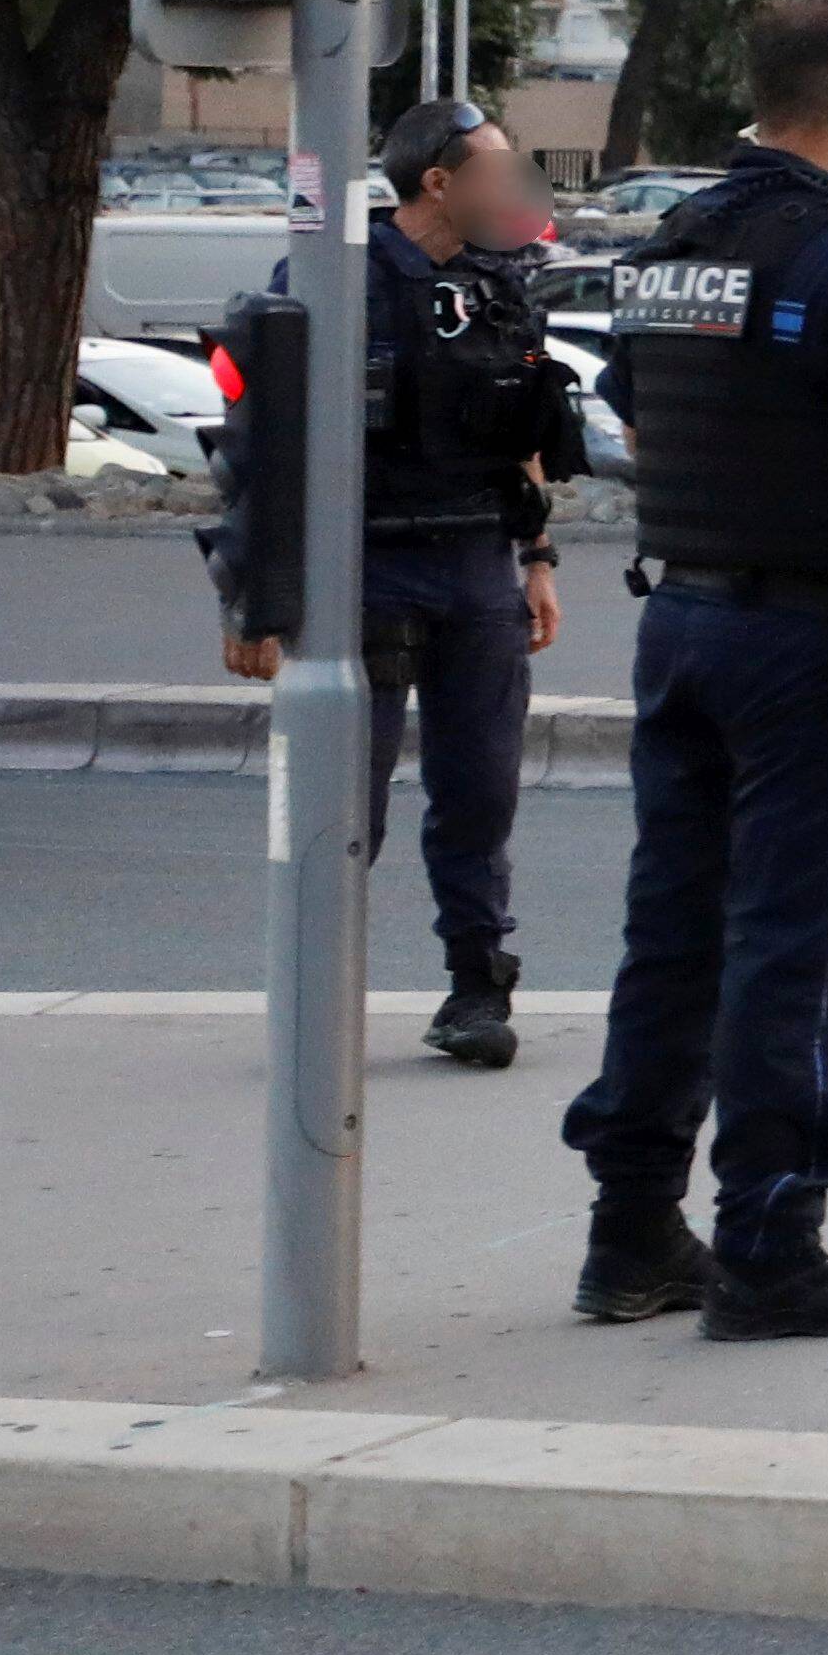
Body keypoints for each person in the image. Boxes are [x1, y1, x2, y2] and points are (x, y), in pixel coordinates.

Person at [557, 0, 828, 1341]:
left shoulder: (672, 242)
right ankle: (771, 1244)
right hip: (809, 638)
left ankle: (629, 1235)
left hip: (678, 619)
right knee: (797, 944)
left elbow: (634, 407)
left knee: (671, 936)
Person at [217, 93, 582, 1067]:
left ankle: (476, 991)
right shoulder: (331, 278)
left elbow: (523, 436)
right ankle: (314, 994)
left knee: (479, 797)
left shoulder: (502, 282)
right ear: (439, 182)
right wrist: (256, 594)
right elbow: (265, 444)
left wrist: (536, 560)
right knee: (346, 805)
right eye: (497, 169)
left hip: (476, 570)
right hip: (361, 570)